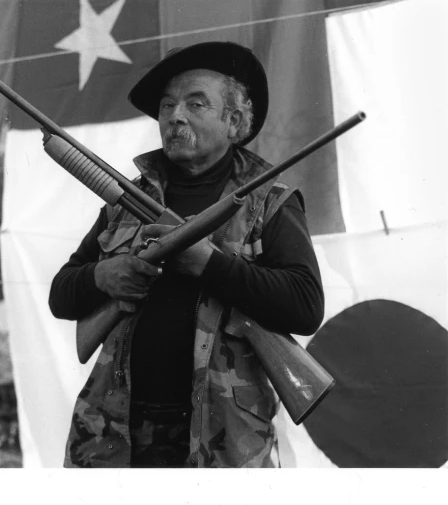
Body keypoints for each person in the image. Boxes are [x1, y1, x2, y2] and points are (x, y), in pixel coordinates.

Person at [48, 41, 324, 468]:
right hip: (113, 436)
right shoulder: (126, 200)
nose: (175, 116)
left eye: (196, 104)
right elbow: (61, 295)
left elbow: (306, 306)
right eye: (167, 106)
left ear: (234, 122)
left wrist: (208, 264)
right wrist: (105, 275)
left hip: (222, 445)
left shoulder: (271, 202)